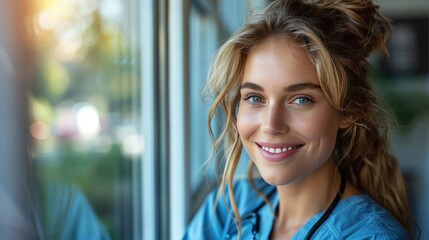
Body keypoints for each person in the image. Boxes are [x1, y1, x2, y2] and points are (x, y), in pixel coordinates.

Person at [183, 0, 418, 239]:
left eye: (301, 100)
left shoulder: (372, 236)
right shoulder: (226, 210)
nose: (271, 125)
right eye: (255, 97)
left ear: (347, 110)